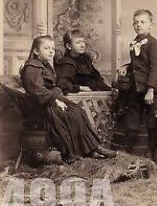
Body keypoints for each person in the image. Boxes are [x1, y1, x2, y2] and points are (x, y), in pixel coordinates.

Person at [20, 35, 116, 164]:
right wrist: (55, 100)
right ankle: (82, 151)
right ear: (36, 51)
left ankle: (93, 148)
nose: (51, 51)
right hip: (41, 107)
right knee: (72, 114)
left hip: (50, 100)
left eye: (52, 48)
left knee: (77, 111)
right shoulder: (32, 66)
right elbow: (36, 90)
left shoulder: (44, 65)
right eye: (46, 48)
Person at [115, 9, 157, 158]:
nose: (138, 25)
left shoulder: (154, 44)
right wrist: (126, 66)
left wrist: (150, 90)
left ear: (150, 25)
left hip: (151, 90)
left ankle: (151, 153)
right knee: (132, 121)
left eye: (142, 22)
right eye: (136, 22)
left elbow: (156, 68)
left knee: (151, 123)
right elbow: (138, 65)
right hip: (135, 89)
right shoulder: (135, 42)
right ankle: (127, 153)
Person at [55, 29, 111, 95]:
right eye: (78, 42)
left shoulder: (85, 59)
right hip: (77, 97)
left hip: (93, 95)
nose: (82, 45)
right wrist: (80, 88)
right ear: (69, 46)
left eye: (83, 41)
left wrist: (109, 89)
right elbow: (62, 84)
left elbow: (96, 77)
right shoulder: (66, 63)